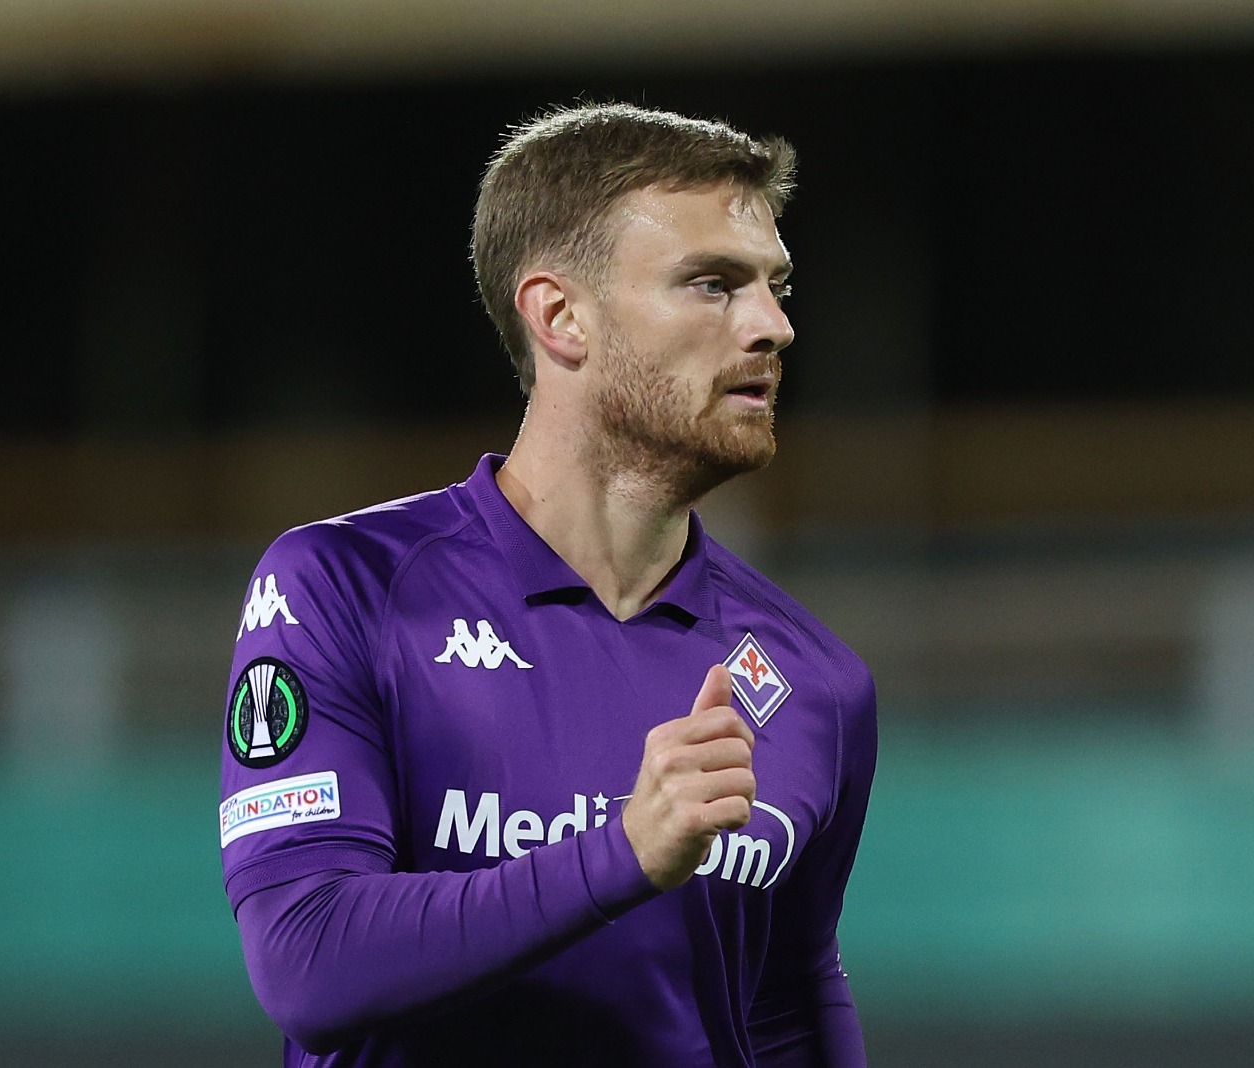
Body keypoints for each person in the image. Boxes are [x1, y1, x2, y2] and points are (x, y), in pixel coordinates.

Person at [219, 102, 878, 1067]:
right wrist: (624, 853)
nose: (773, 326)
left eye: (776, 287)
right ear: (559, 315)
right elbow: (308, 960)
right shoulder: (346, 588)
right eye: (712, 284)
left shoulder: (816, 682)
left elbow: (785, 1001)